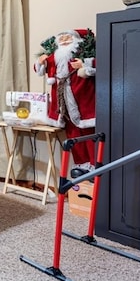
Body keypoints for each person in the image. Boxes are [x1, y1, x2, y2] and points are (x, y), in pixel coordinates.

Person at [34, 29, 96, 178]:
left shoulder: (84, 50)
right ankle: (81, 164)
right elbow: (39, 69)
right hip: (62, 100)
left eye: (68, 38)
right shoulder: (55, 55)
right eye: (62, 39)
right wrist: (40, 61)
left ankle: (94, 165)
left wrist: (84, 63)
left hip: (82, 98)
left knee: (89, 133)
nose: (65, 41)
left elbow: (101, 62)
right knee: (72, 134)